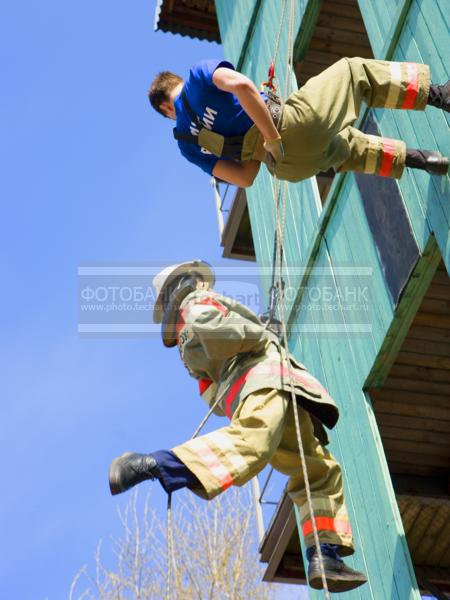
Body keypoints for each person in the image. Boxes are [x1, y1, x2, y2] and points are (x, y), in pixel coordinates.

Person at [109, 260, 368, 593]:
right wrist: (262, 333)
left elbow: (215, 399)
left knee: (319, 471)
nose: (204, 286)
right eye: (198, 281)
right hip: (265, 384)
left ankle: (324, 554)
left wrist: (255, 332)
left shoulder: (187, 350)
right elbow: (218, 328)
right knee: (253, 444)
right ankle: (157, 464)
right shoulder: (195, 303)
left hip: (266, 389)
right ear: (184, 285)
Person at [147, 58, 449, 187]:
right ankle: (439, 96)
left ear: (165, 109)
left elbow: (245, 179)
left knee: (350, 148)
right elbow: (242, 87)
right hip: (287, 128)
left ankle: (424, 161)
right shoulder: (198, 75)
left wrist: (266, 149)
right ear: (175, 83)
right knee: (355, 72)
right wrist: (271, 135)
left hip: (288, 168)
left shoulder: (187, 145)